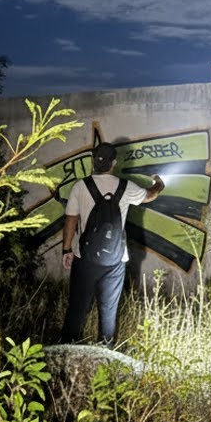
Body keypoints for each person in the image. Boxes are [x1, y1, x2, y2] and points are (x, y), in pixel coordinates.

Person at [61, 142, 164, 345]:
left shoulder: (80, 186)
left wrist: (66, 249)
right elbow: (151, 195)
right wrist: (159, 183)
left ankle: (66, 349)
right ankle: (106, 352)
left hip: (84, 258)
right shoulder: (126, 187)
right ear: (114, 163)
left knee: (77, 308)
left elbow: (71, 219)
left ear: (93, 161)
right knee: (108, 310)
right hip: (115, 260)